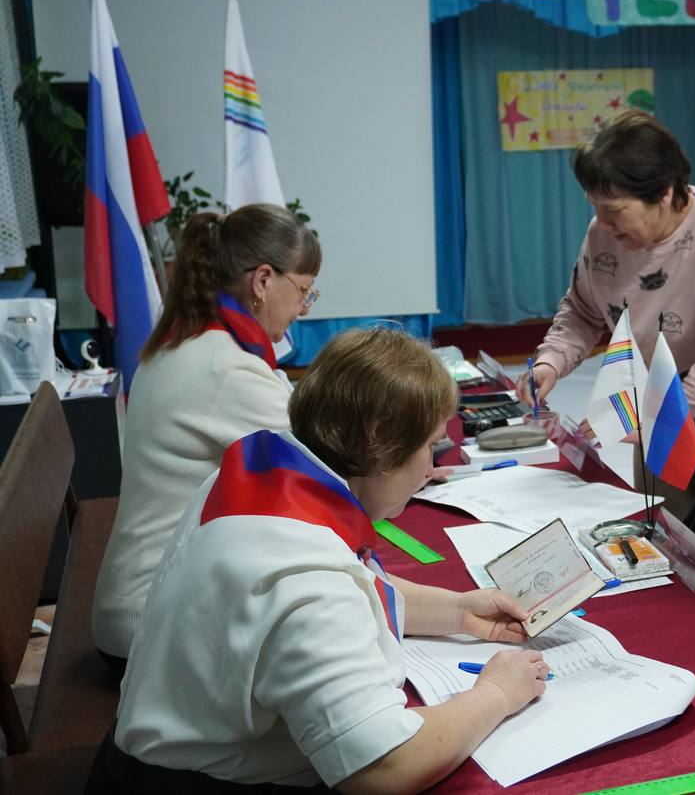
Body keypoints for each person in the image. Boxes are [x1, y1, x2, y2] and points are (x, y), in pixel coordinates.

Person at [85, 327, 548, 794]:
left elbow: (349, 586)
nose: (431, 468)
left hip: (144, 758)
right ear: (380, 440)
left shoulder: (260, 470)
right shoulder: (307, 575)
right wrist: (498, 693)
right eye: (429, 446)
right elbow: (385, 768)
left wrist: (456, 610)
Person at [516, 110, 695, 518]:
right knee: (665, 527)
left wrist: (655, 417)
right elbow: (582, 311)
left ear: (664, 192)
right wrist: (550, 363)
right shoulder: (603, 235)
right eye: (595, 207)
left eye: (614, 210)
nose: (602, 223)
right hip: (657, 399)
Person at [92, 204, 321, 671]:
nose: (303, 309)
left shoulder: (193, 339)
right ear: (263, 280)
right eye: (303, 291)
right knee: (325, 621)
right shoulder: (225, 368)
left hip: (142, 597)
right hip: (149, 621)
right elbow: (324, 462)